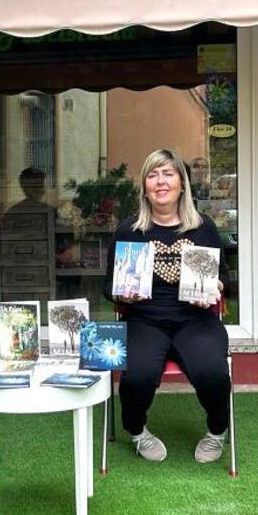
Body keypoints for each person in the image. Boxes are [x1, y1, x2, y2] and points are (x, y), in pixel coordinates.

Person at [105, 148, 231, 463]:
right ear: (144, 186)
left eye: (168, 174)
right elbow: (108, 286)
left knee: (211, 371)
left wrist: (215, 286)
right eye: (153, 175)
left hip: (196, 319)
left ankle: (217, 432)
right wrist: (123, 295)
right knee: (137, 376)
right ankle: (137, 431)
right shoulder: (129, 230)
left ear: (181, 183)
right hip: (144, 320)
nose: (160, 181)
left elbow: (225, 277)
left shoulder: (202, 227)